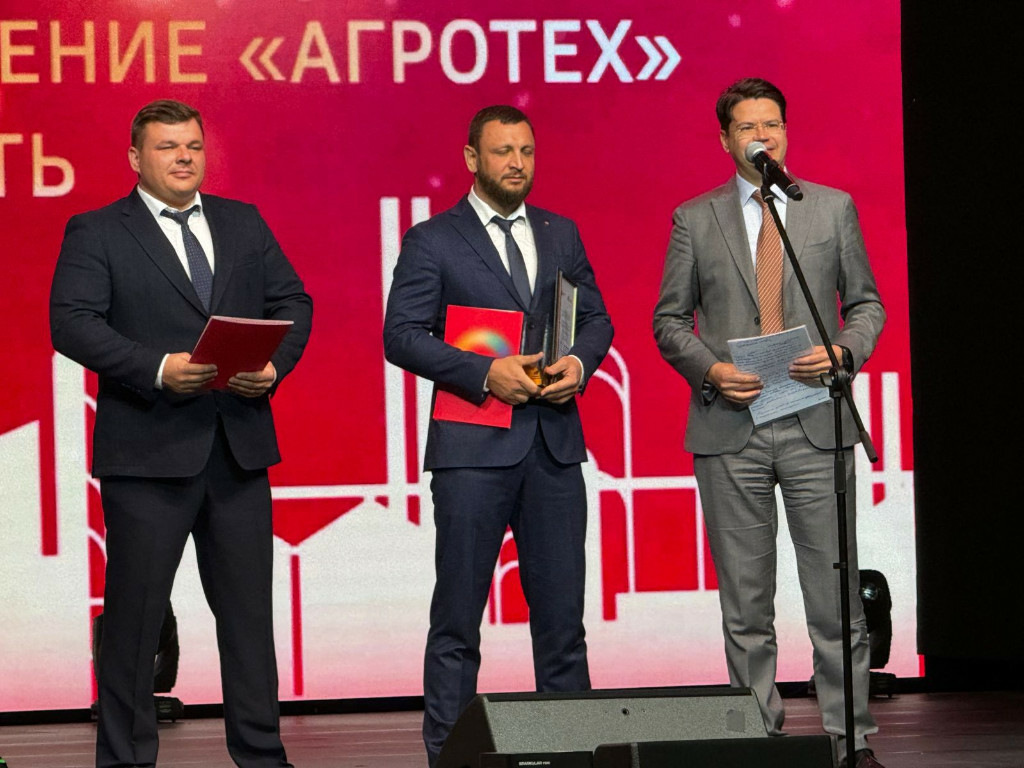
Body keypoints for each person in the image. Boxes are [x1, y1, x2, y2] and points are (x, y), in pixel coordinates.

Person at [50, 99, 312, 768]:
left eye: (192, 145)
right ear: (136, 158)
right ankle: (126, 760)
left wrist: (273, 367)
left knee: (248, 620)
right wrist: (158, 369)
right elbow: (72, 323)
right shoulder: (97, 230)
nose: (184, 156)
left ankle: (262, 757)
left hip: (238, 450)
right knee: (135, 623)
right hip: (146, 453)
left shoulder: (242, 221)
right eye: (168, 146)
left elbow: (294, 301)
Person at [653, 78, 886, 768]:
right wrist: (710, 370)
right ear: (726, 139)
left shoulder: (829, 208)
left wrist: (844, 352)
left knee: (835, 599)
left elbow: (866, 305)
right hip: (733, 427)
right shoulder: (695, 218)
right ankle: (758, 744)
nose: (764, 137)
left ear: (787, 132)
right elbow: (669, 320)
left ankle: (851, 740)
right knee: (747, 606)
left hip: (816, 421)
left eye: (774, 125)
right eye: (749, 127)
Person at [383, 105, 614, 766]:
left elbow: (596, 320)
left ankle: (573, 754)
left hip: (554, 449)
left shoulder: (561, 232)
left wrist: (579, 365)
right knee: (458, 623)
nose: (517, 163)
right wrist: (486, 373)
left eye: (526, 151)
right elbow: (401, 335)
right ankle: (449, 757)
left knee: (563, 626)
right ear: (472, 159)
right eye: (503, 151)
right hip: (472, 451)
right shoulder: (433, 239)